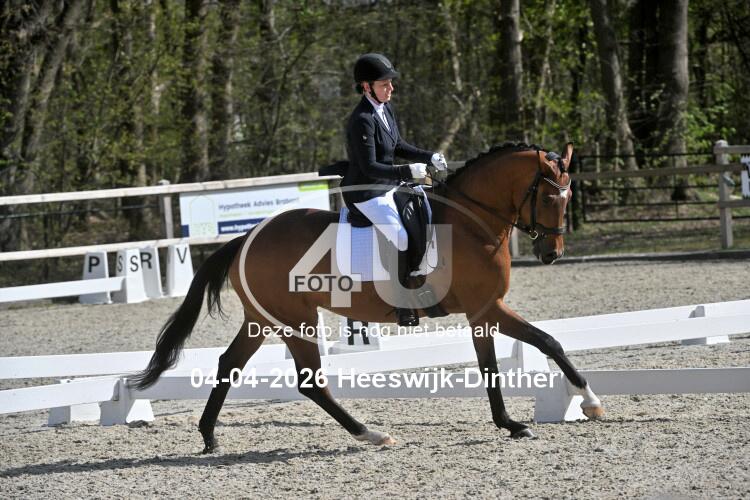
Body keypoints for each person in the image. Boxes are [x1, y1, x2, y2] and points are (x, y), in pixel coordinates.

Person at [341, 53, 448, 326]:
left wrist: (429, 156)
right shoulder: (362, 119)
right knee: (399, 236)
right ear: (366, 87)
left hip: (387, 184)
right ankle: (400, 302)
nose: (391, 88)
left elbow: (398, 145)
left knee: (424, 207)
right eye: (384, 84)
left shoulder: (385, 108)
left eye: (390, 83)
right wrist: (406, 171)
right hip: (365, 191)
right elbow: (369, 167)